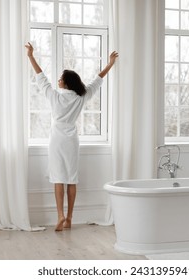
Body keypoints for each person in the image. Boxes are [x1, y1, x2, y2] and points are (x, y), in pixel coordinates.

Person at [25, 42, 118, 231]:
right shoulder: (81, 97)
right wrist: (109, 64)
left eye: (60, 78)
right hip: (72, 141)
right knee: (71, 178)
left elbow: (40, 76)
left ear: (65, 82)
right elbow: (97, 81)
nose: (58, 80)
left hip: (57, 140)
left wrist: (31, 56)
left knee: (58, 178)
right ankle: (69, 218)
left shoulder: (55, 97)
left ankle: (59, 215)